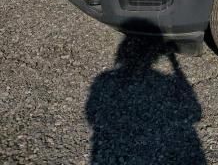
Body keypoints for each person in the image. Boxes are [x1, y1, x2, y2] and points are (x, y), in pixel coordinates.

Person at [85, 25, 205, 164]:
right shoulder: (163, 81)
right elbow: (195, 113)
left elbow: (92, 114)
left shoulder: (104, 80)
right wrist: (174, 62)